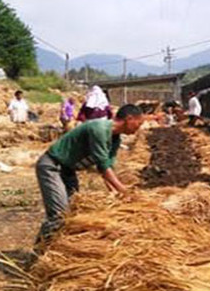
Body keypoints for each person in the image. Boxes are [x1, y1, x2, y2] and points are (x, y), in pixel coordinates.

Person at [35, 104, 144, 246]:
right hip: (52, 166)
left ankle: (56, 248)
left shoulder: (115, 139)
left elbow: (107, 167)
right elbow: (102, 164)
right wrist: (124, 191)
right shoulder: (99, 129)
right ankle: (38, 253)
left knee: (72, 211)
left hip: (67, 170)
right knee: (59, 215)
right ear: (129, 119)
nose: (139, 128)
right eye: (139, 123)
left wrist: (115, 193)